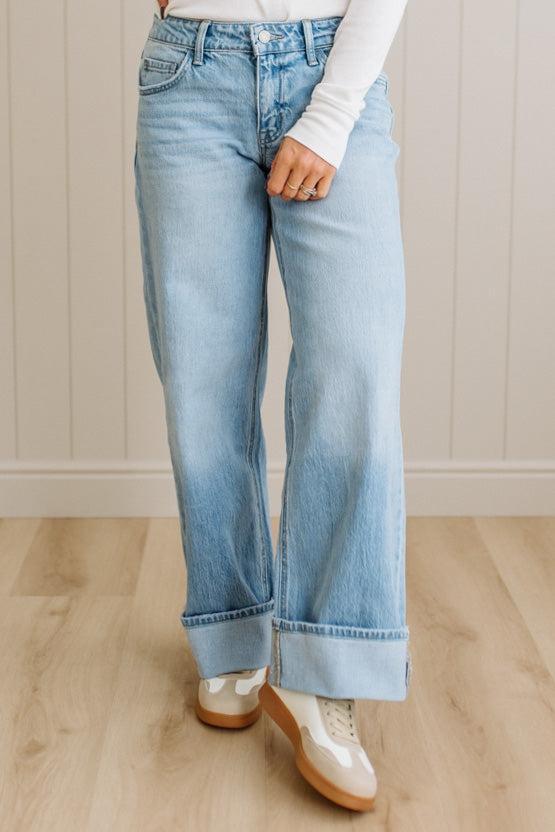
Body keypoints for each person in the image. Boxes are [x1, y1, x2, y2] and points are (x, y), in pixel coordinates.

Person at [134, 0, 410, 812]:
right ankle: (232, 630)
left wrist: (327, 116)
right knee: (201, 377)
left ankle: (329, 668)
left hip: (334, 68)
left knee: (354, 372)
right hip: (188, 73)